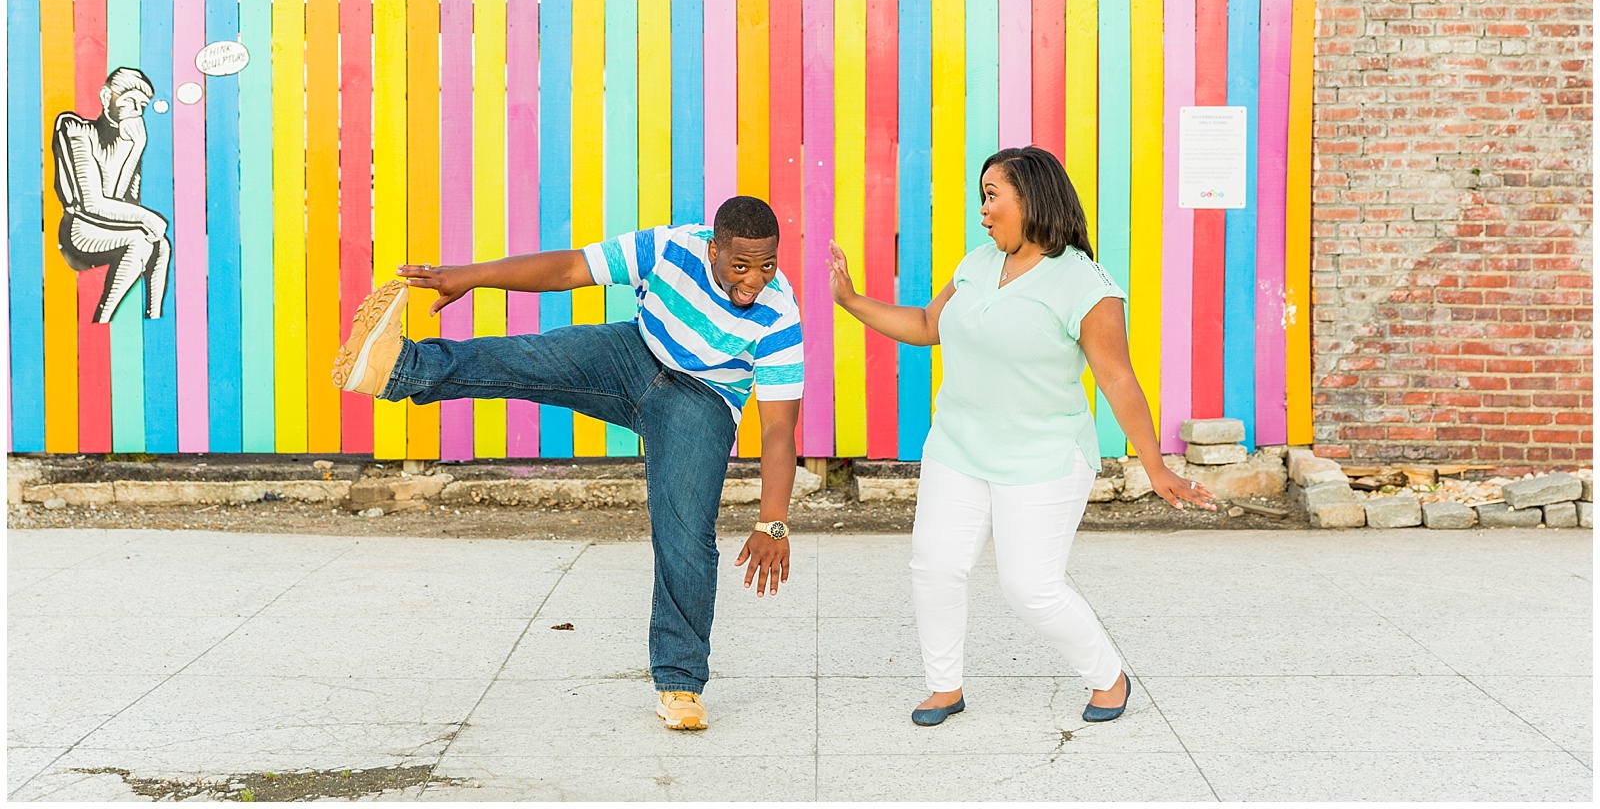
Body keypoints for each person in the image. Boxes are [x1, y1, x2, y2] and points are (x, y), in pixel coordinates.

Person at [332, 196, 804, 732]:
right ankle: (397, 368)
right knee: (530, 358)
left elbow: (778, 427)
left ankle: (680, 684)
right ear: (713, 248)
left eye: (766, 265)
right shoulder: (672, 247)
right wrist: (473, 276)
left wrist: (773, 519)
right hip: (634, 355)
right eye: (740, 266)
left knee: (685, 534)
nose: (754, 280)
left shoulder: (780, 311)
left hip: (702, 401)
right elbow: (571, 268)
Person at [826, 146, 1216, 727]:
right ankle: (943, 687)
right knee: (934, 566)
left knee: (1030, 588)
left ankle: (1109, 676)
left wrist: (1155, 465)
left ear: (1031, 199)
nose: (982, 211)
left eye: (992, 195)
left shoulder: (1087, 286)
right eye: (981, 197)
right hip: (958, 446)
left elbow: (1118, 378)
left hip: (1044, 458)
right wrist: (851, 300)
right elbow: (929, 326)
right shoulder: (978, 263)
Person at [52, 67, 170, 323]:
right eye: (130, 101)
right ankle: (103, 321)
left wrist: (136, 148)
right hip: (79, 230)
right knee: (141, 240)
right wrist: (150, 219)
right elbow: (92, 204)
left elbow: (121, 200)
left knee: (160, 245)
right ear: (107, 98)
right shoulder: (76, 129)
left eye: (142, 105)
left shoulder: (128, 141)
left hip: (107, 226)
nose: (137, 110)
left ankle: (154, 319)